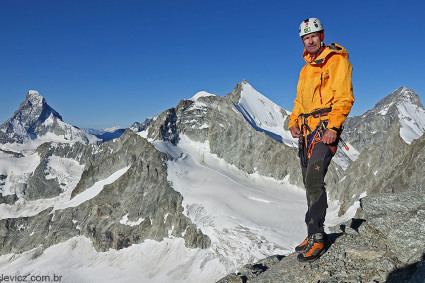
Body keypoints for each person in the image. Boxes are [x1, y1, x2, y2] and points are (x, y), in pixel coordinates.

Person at [288, 18, 354, 262]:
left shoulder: (336, 61)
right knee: (309, 181)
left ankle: (318, 238)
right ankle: (312, 231)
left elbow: (344, 97)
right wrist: (293, 122)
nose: (310, 40)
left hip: (325, 129)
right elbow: (299, 103)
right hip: (307, 132)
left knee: (314, 179)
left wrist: (334, 127)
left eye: (314, 36)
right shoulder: (306, 69)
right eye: (306, 38)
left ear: (322, 35)